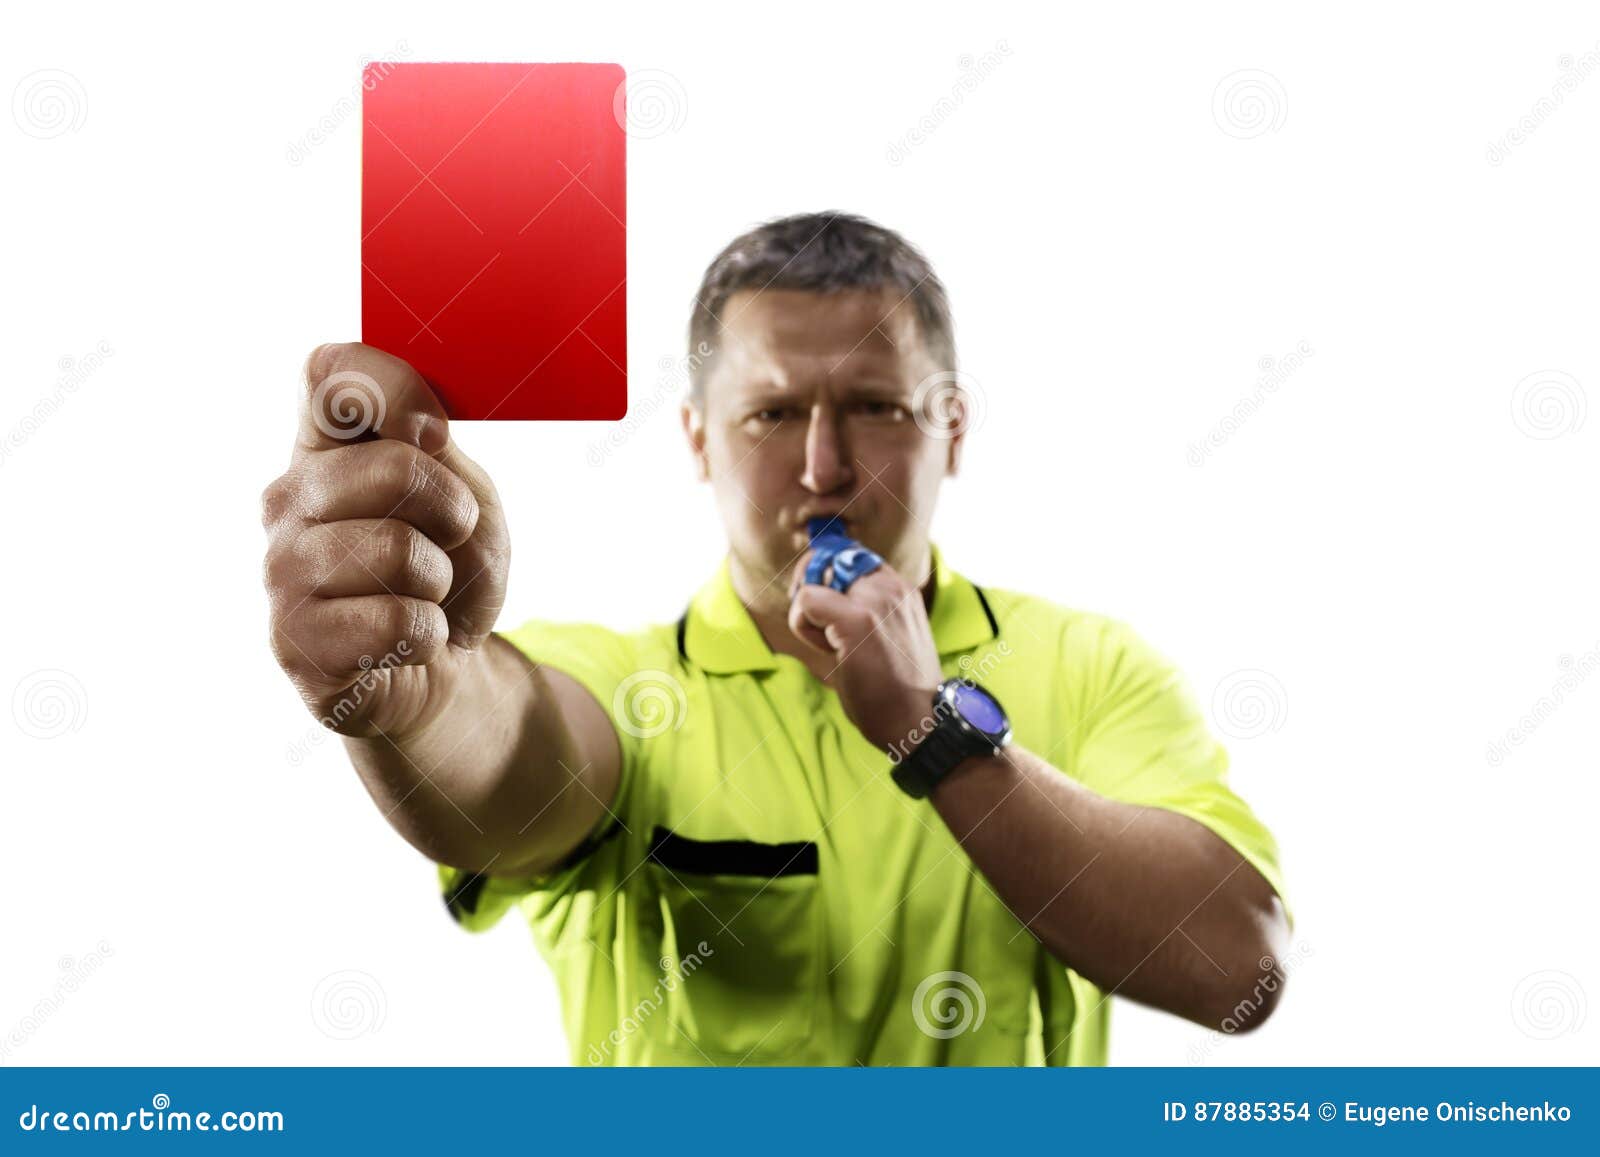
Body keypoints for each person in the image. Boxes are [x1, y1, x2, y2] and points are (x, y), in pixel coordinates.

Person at [261, 211, 1293, 1065]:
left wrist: (933, 736)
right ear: (698, 436)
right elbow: (510, 758)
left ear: (953, 428)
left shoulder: (1090, 665)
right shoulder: (625, 683)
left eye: (875, 407)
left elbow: (1235, 967)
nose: (823, 466)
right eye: (770, 413)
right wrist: (421, 694)